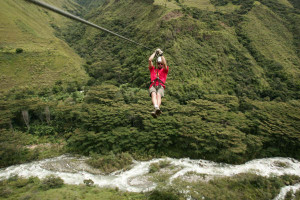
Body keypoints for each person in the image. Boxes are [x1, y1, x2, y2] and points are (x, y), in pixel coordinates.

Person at [148, 48, 169, 118]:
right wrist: (155, 53)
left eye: (161, 64)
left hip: (160, 85)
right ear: (157, 63)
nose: (160, 65)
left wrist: (161, 54)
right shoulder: (153, 69)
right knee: (154, 94)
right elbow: (150, 60)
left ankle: (157, 109)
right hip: (153, 84)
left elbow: (165, 63)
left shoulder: (165, 70)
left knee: (158, 95)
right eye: (158, 63)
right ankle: (156, 107)